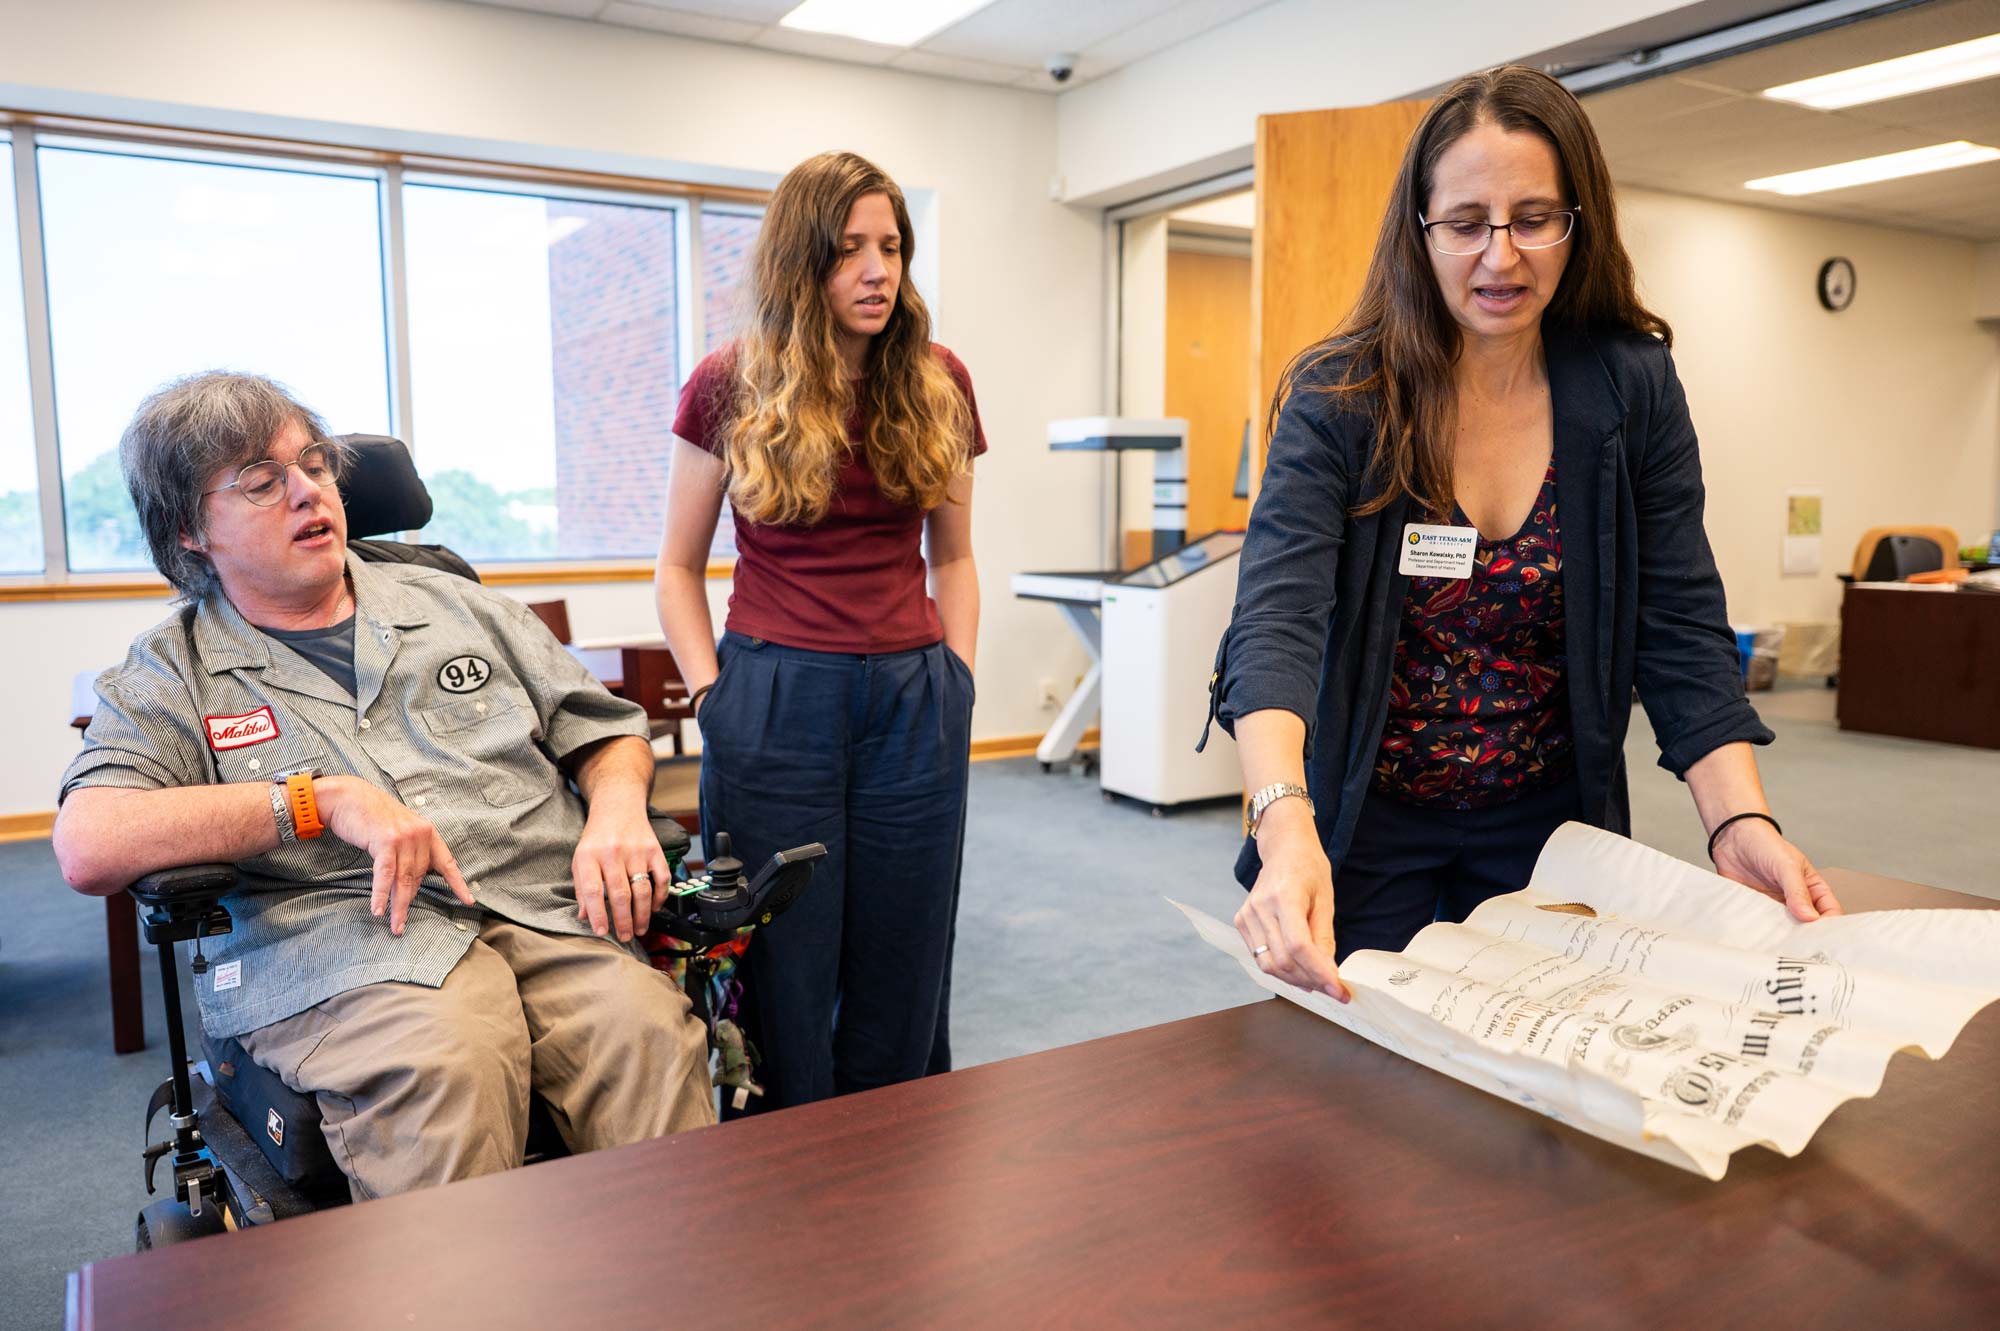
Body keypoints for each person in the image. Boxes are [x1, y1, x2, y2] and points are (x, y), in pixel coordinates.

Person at [1204, 66, 1843, 1002]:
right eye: (1466, 223)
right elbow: (1277, 623)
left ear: (1576, 223)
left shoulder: (1631, 389)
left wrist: (1737, 818)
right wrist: (1282, 824)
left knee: (1538, 1099)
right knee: (1357, 1092)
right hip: (1365, 820)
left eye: (1534, 217)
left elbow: (1679, 626)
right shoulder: (1344, 397)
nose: (1501, 257)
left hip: (1552, 828)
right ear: (1418, 231)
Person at [54, 373, 715, 1201]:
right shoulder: (172, 670)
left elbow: (603, 727)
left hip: (537, 905)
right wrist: (314, 800)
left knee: (647, 1032)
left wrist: (618, 809)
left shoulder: (458, 605)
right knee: (448, 1063)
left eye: (315, 464)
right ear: (190, 529)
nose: (309, 493)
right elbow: (88, 842)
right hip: (343, 946)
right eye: (263, 482)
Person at [655, 151, 983, 1110]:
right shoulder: (730, 383)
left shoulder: (938, 380)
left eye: (891, 247)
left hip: (914, 698)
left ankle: (897, 1153)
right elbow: (676, 567)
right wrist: (716, 694)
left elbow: (954, 557)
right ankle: (780, 1163)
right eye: (849, 251)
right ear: (803, 262)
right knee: (781, 961)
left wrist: (957, 680)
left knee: (906, 945)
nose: (878, 270)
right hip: (774, 697)